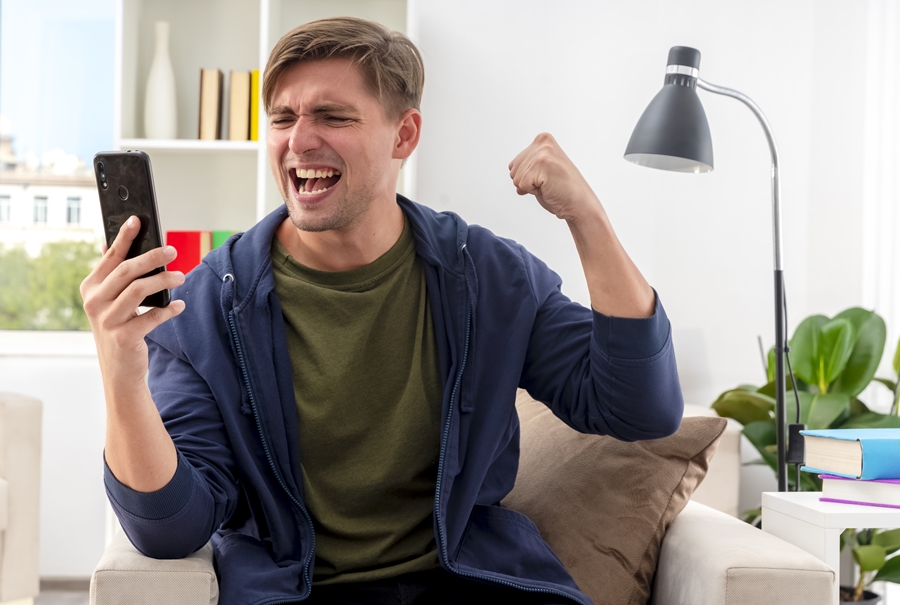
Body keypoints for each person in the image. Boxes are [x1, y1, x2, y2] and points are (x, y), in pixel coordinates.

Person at [81, 16, 683, 605]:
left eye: (332, 117)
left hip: (470, 579)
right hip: (297, 590)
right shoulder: (206, 305)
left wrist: (588, 219)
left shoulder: (488, 275)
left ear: (404, 134)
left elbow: (640, 408)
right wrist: (120, 369)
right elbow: (170, 528)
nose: (299, 140)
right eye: (283, 119)